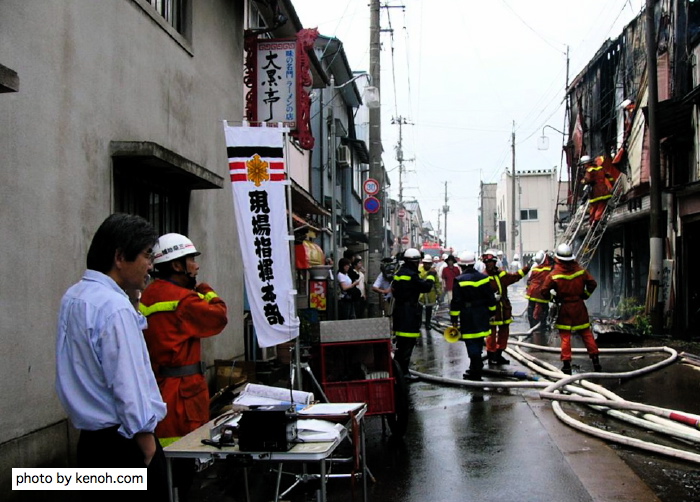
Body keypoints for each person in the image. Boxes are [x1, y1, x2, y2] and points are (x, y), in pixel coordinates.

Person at [55, 213, 168, 501]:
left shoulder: (74, 296)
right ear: (120, 256)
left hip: (91, 444)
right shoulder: (113, 306)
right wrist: (146, 442)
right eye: (146, 255)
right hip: (124, 443)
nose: (150, 266)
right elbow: (127, 381)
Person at [139, 233, 228, 498]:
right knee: (184, 463)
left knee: (162, 464)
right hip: (183, 396)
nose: (196, 266)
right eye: (191, 260)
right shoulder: (185, 300)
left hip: (156, 389)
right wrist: (207, 290)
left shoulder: (148, 295)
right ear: (177, 265)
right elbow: (219, 317)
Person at [540, 243, 601, 375]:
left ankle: (566, 365)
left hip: (564, 308)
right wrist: (585, 295)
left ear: (558, 259)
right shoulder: (580, 270)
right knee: (586, 333)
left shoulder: (554, 274)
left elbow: (543, 291)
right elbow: (593, 283)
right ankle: (596, 361)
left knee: (565, 337)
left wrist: (552, 298)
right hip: (579, 306)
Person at [450, 251, 497, 381]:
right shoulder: (483, 278)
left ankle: (476, 369)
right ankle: (475, 367)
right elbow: (490, 297)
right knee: (478, 339)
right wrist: (492, 313)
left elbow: (456, 301)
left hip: (468, 314)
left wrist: (454, 319)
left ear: (461, 266)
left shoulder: (459, 280)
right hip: (482, 313)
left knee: (471, 342)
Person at [391, 248, 435, 380]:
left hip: (399, 311)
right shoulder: (411, 275)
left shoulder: (399, 273)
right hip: (409, 313)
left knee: (401, 345)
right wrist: (431, 276)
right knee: (407, 344)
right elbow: (426, 287)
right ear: (414, 262)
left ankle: (398, 372)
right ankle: (403, 373)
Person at [482, 248, 531, 365]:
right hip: (491, 310)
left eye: (491, 262)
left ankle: (499, 354)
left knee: (504, 332)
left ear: (495, 262)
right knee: (491, 333)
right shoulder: (483, 277)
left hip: (504, 309)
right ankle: (491, 355)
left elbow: (514, 277)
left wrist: (527, 268)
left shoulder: (502, 274)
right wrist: (490, 298)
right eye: (487, 263)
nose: (489, 265)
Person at [580, 155, 614, 227]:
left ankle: (593, 222)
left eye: (584, 164)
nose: (583, 166)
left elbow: (587, 180)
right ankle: (596, 221)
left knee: (593, 208)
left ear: (587, 163)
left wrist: (583, 181)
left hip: (595, 192)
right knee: (601, 207)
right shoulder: (601, 168)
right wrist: (612, 184)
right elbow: (609, 176)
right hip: (604, 191)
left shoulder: (589, 171)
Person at [525, 250, 552, 334]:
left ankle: (533, 326)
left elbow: (529, 279)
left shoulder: (534, 268)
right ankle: (542, 326)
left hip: (532, 292)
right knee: (544, 309)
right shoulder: (549, 269)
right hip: (542, 293)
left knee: (531, 309)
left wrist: (527, 289)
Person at [418, 255, 441, 330]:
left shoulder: (433, 271)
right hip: (421, 294)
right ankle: (419, 323)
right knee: (419, 310)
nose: (427, 265)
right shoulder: (419, 270)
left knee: (429, 310)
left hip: (430, 294)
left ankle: (428, 324)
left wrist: (438, 294)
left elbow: (437, 283)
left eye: (429, 264)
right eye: (426, 263)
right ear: (423, 263)